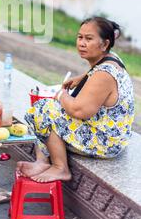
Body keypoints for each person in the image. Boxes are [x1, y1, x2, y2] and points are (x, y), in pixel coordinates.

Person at [17, 17, 134, 183]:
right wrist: (83, 78)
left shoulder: (104, 74)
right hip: (112, 134)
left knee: (45, 108)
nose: (82, 43)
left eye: (89, 39)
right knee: (46, 108)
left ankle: (60, 168)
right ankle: (42, 162)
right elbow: (97, 75)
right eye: (80, 37)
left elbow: (79, 111)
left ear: (104, 44)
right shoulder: (111, 59)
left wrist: (60, 94)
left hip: (105, 142)